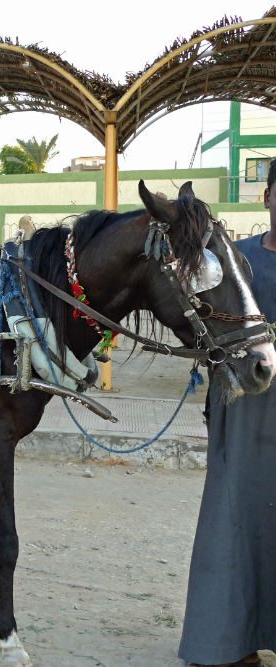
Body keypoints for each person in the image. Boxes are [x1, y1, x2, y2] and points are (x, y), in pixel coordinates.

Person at [178, 160, 276, 667]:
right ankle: (226, 643)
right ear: (267, 199)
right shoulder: (237, 260)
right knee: (233, 518)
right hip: (241, 413)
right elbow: (203, 321)